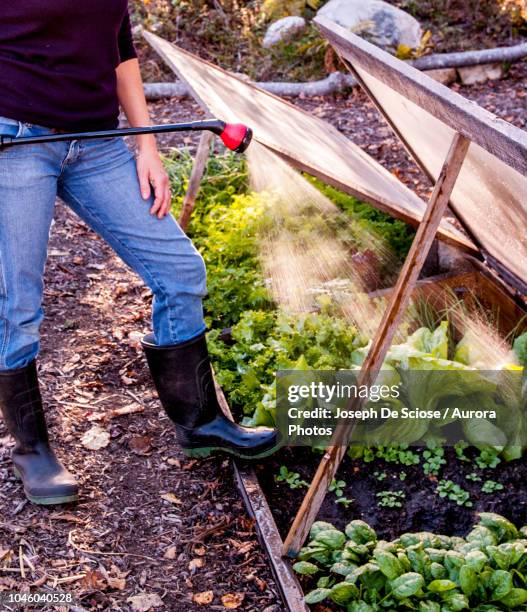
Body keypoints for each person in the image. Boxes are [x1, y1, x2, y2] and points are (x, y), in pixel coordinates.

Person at [0, 2, 278, 506]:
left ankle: (199, 423)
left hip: (99, 142)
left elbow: (120, 50)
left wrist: (147, 146)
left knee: (178, 269)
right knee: (17, 303)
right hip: (15, 140)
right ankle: (32, 451)